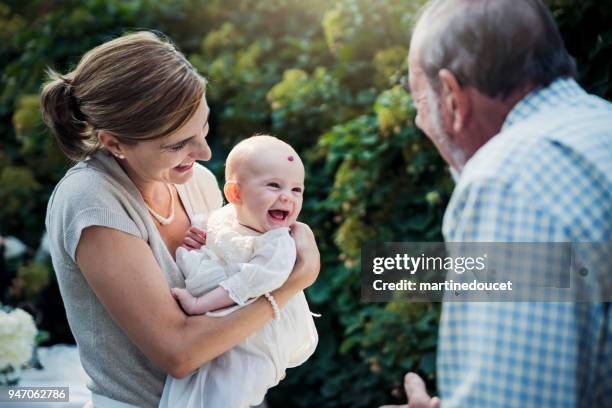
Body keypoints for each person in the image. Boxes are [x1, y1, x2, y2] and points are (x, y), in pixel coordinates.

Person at [41, 31, 320, 408]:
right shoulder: (93, 201)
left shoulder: (196, 182)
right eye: (178, 144)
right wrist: (291, 283)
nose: (204, 152)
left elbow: (233, 313)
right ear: (114, 143)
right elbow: (180, 354)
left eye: (203, 128)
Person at [381, 0, 612, 407]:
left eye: (421, 104)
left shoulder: (506, 183)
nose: (422, 125)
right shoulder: (599, 127)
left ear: (452, 96)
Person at [160, 135, 318, 408]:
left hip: (262, 337)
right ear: (235, 194)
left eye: (296, 190)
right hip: (228, 331)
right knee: (189, 391)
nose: (287, 196)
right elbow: (213, 233)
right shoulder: (224, 217)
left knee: (228, 393)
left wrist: (199, 304)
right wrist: (198, 239)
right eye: (274, 185)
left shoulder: (279, 243)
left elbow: (249, 283)